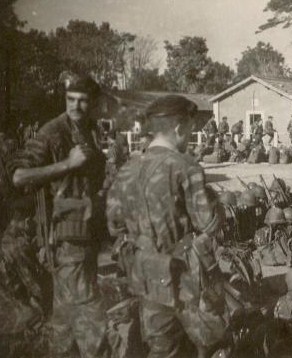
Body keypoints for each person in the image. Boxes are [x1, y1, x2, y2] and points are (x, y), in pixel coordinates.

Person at [107, 95, 226, 358]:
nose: (190, 135)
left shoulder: (127, 169)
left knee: (161, 347)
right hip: (181, 277)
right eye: (190, 128)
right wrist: (216, 202)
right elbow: (207, 222)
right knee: (208, 342)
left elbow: (114, 225)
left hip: (143, 273)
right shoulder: (186, 167)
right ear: (179, 128)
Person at [11, 72, 108, 357]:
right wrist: (68, 163)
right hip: (65, 239)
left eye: (82, 101)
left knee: (65, 321)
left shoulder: (90, 129)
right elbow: (18, 176)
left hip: (83, 236)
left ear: (94, 103)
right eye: (70, 100)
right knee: (91, 316)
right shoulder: (52, 131)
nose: (75, 106)